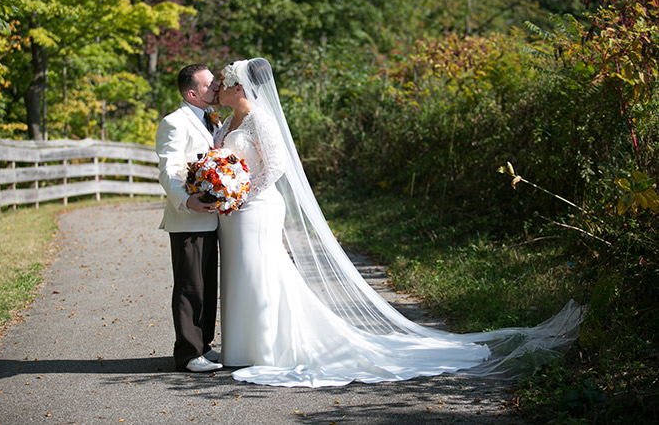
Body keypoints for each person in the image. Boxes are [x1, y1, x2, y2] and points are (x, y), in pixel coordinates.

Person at [214, 58, 584, 387]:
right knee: (239, 274)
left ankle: (264, 346)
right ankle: (240, 347)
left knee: (260, 271)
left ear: (239, 87)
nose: (219, 87)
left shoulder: (261, 120)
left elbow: (276, 167)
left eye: (224, 82)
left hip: (257, 207)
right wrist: (220, 190)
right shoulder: (230, 120)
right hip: (233, 212)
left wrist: (242, 195)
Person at [156, 64, 224, 373]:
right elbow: (169, 169)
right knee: (189, 285)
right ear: (192, 93)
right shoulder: (174, 123)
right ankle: (187, 352)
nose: (216, 88)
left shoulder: (212, 119)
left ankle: (203, 345)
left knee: (207, 284)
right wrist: (186, 200)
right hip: (188, 216)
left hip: (211, 217)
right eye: (210, 85)